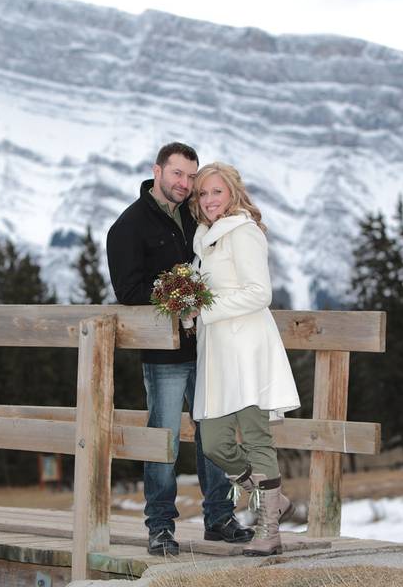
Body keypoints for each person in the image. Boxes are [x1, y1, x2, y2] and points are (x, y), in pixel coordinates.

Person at [106, 142, 253, 556]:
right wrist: (175, 295)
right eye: (178, 175)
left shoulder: (194, 217)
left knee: (215, 434)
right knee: (165, 440)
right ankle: (160, 527)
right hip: (164, 356)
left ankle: (220, 519)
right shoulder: (128, 226)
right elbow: (128, 291)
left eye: (191, 176)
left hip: (208, 347)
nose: (185, 184)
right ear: (157, 171)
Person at [187, 162, 301, 557]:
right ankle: (275, 499)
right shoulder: (204, 237)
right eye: (201, 194)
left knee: (255, 438)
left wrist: (205, 309)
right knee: (214, 443)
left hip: (247, 348)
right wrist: (189, 308)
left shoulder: (245, 232)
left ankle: (270, 529)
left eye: (215, 191)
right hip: (217, 352)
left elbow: (259, 293)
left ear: (232, 193)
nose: (208, 200)